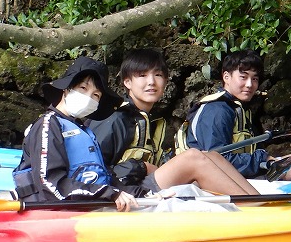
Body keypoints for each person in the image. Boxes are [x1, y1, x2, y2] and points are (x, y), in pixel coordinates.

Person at [91, 48, 258, 196]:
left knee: (211, 156)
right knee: (193, 157)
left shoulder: (153, 120)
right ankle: (255, 211)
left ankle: (260, 203)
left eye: (158, 75)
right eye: (142, 75)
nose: (151, 82)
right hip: (126, 192)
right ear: (127, 82)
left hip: (144, 185)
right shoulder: (115, 118)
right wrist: (140, 167)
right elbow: (90, 171)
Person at [182, 49, 291, 183]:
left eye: (254, 79)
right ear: (226, 77)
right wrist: (263, 158)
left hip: (243, 172)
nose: (249, 84)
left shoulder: (238, 108)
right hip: (220, 180)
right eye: (243, 77)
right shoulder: (217, 110)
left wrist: (263, 158)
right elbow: (216, 159)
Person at [12, 56, 147, 210]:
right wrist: (108, 193)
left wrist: (145, 194)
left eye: (96, 95)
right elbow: (50, 184)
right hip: (52, 211)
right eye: (83, 88)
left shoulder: (85, 130)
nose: (88, 97)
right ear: (66, 89)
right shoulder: (48, 125)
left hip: (89, 205)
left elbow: (109, 181)